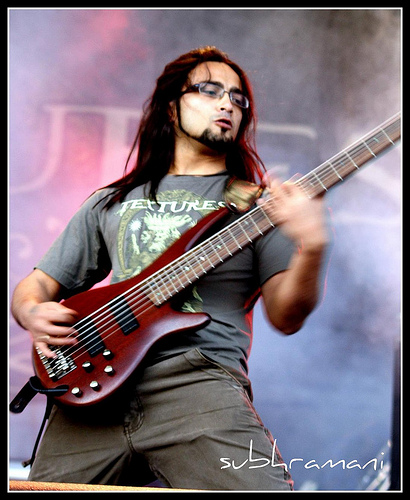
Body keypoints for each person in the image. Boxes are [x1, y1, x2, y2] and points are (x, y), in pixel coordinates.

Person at [11, 46, 328, 491]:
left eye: (238, 98)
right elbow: (36, 286)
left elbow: (286, 316)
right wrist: (31, 312)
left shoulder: (260, 208)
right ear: (171, 107)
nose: (227, 104)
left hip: (196, 382)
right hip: (95, 386)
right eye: (210, 90)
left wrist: (314, 246)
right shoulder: (111, 202)